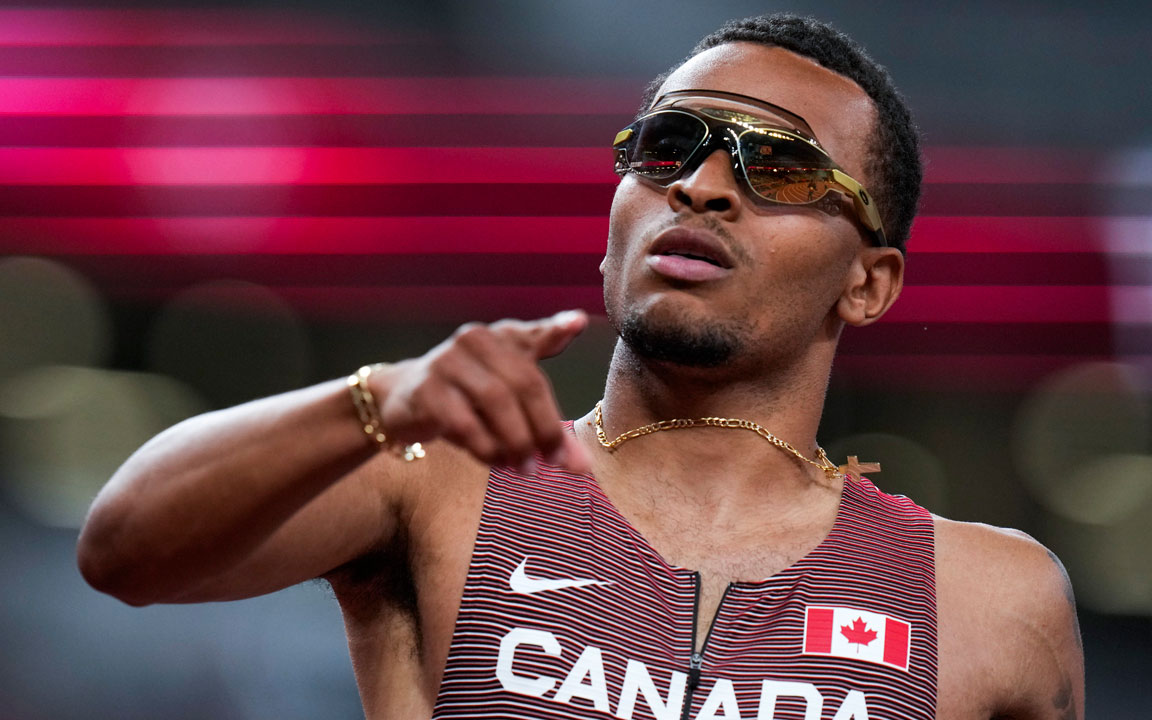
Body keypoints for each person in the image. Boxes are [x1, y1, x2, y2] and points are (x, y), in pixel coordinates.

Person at [77, 14, 1084, 720]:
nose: (700, 186)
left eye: (779, 168)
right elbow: (123, 550)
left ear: (867, 284)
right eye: (668, 145)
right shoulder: (437, 479)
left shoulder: (988, 599)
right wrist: (376, 398)